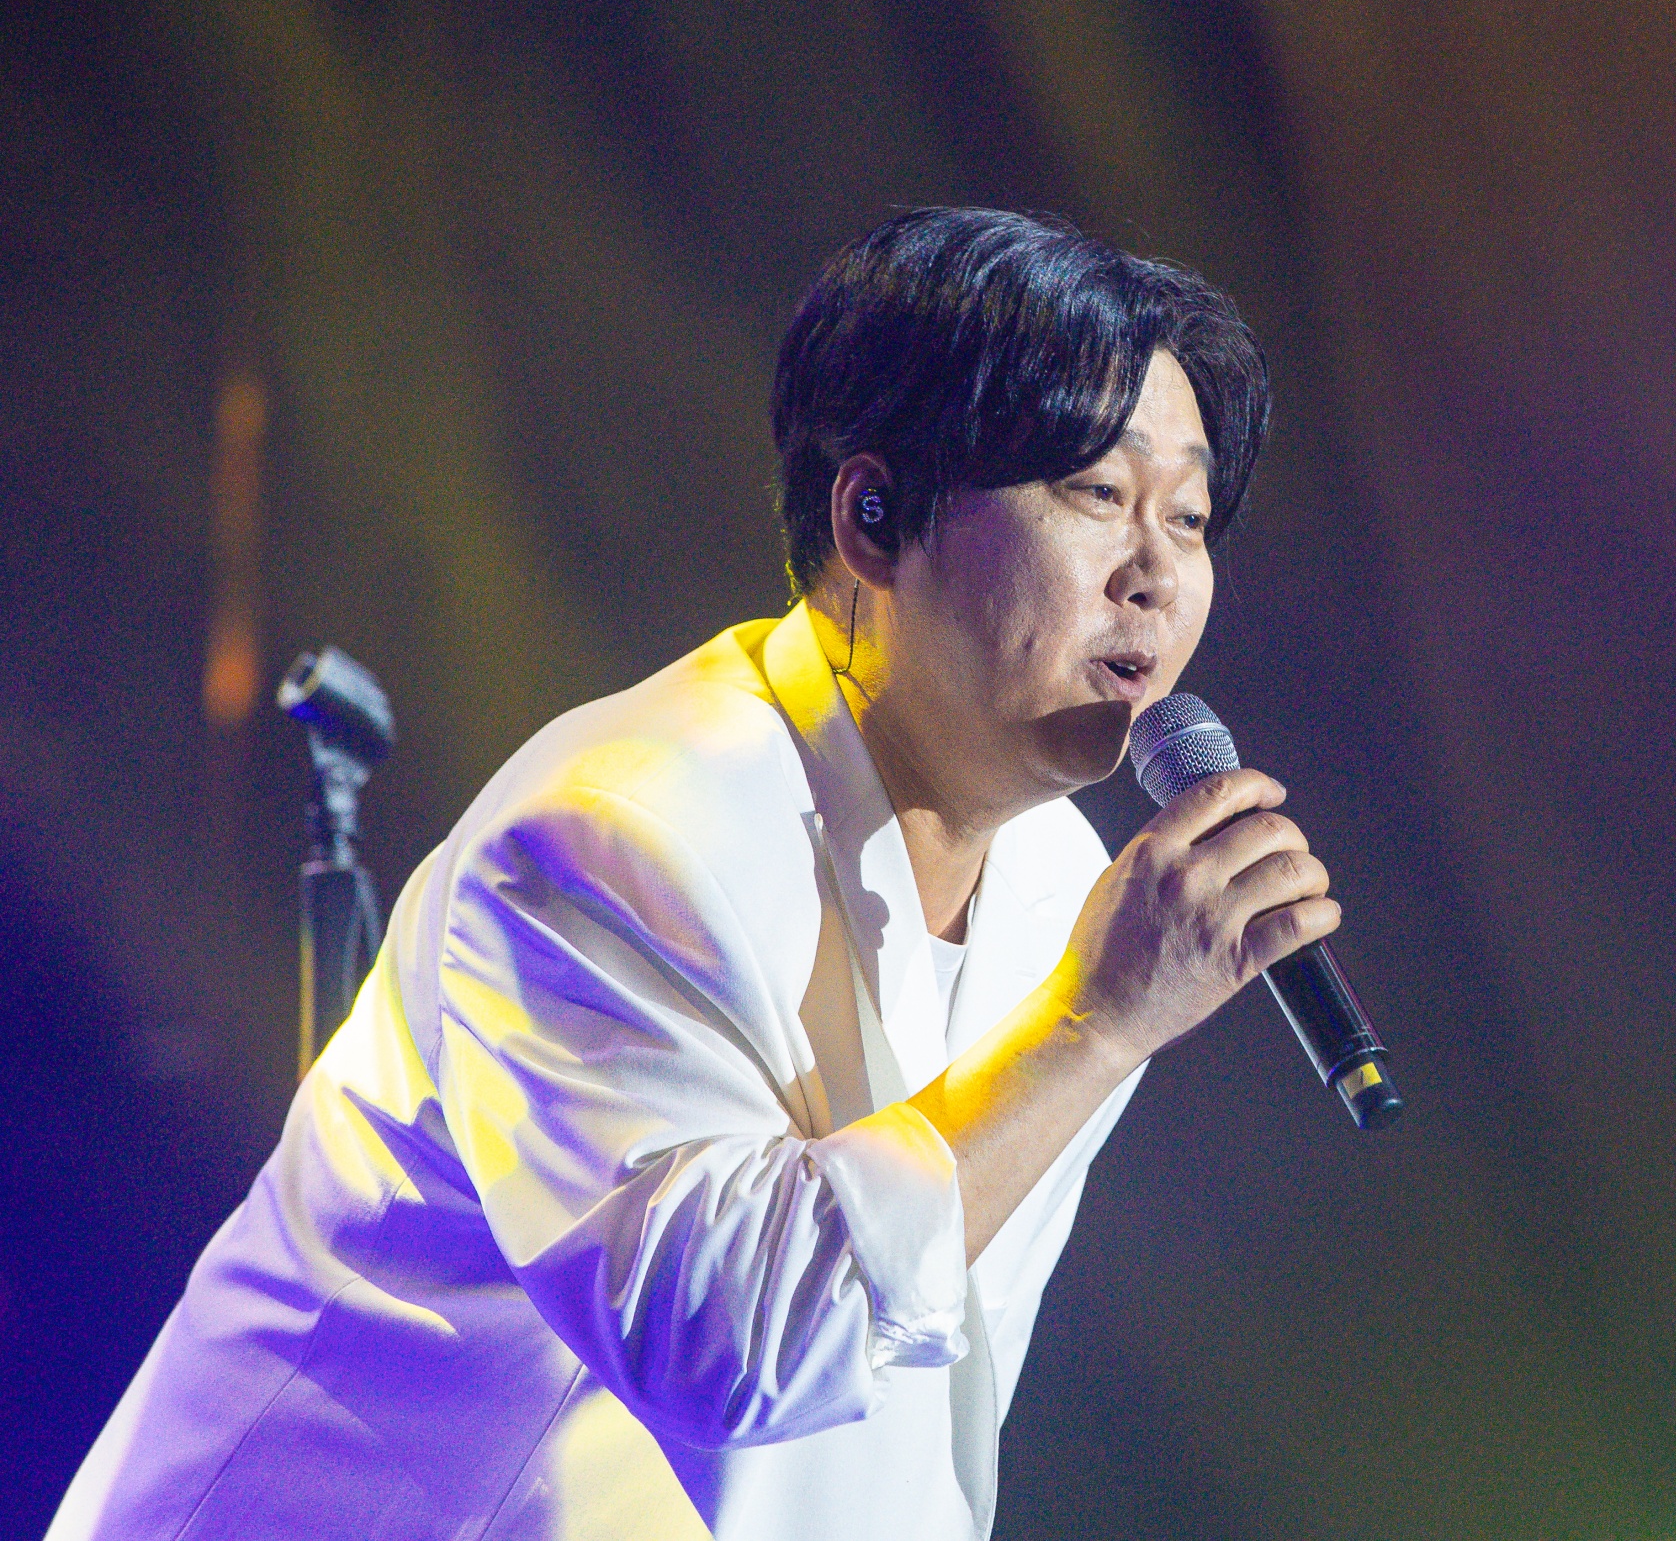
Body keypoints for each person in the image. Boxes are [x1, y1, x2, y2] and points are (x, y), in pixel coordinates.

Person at [50, 208, 1338, 1541]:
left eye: (1190, 516)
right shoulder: (614, 834)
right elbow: (727, 1346)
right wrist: (1093, 1025)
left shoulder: (1064, 884)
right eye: (1099, 496)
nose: (1158, 574)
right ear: (875, 518)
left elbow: (907, 1410)